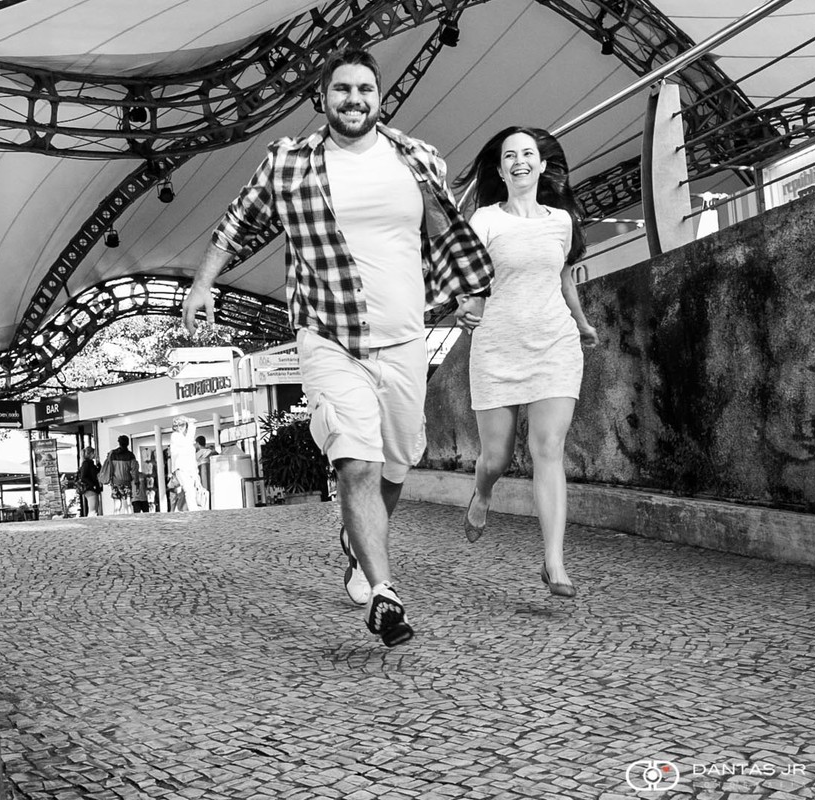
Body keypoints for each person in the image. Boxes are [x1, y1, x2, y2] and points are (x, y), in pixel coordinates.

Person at [181, 47, 493, 646]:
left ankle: (357, 547)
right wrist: (202, 284)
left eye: (365, 89)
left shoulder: (419, 159)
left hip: (404, 337)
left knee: (397, 464)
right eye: (342, 89)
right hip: (328, 335)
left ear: (380, 98)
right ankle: (384, 592)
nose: (354, 99)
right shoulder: (290, 163)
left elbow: (444, 233)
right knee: (357, 461)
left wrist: (468, 290)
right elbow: (235, 224)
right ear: (322, 98)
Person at [453, 126, 599, 598]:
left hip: (555, 344)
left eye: (528, 154)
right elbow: (466, 277)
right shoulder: (484, 222)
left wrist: (581, 322)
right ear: (500, 170)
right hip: (497, 347)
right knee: (494, 458)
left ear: (540, 165)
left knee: (548, 449)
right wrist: (463, 303)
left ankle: (554, 561)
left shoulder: (560, 221)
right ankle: (485, 491)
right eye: (509, 155)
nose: (519, 160)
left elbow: (562, 277)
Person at [169, 416, 206, 511]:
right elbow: (187, 442)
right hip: (181, 468)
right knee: (189, 490)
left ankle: (188, 510)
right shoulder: (175, 436)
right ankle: (193, 511)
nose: (180, 427)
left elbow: (191, 457)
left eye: (182, 425)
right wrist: (191, 425)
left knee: (190, 491)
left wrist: (195, 473)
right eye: (177, 425)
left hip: (189, 468)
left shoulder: (184, 439)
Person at [105, 435, 139, 514]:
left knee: (117, 505)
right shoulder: (130, 455)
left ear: (119, 443)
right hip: (126, 482)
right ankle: (129, 521)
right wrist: (136, 482)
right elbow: (134, 471)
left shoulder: (112, 454)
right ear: (128, 443)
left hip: (115, 482)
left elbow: (109, 468)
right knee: (128, 504)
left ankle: (116, 519)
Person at [76, 446, 101, 517]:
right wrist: (92, 485)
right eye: (94, 453)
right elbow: (83, 477)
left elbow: (97, 472)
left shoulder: (90, 463)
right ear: (91, 454)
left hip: (92, 488)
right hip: (89, 488)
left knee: (95, 507)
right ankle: (91, 521)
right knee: (93, 509)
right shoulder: (86, 464)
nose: (96, 455)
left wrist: (99, 465)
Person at [194, 435, 218, 504]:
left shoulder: (198, 454)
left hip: (202, 472)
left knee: (204, 490)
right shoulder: (211, 452)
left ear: (198, 443)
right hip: (212, 472)